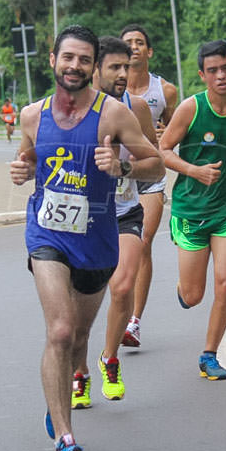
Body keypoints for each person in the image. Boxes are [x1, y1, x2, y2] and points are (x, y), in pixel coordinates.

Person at [9, 25, 162, 451]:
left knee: (77, 337)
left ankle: (71, 380)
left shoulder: (113, 114)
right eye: (67, 57)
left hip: (97, 241)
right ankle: (65, 435)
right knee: (59, 331)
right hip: (47, 235)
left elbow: (152, 159)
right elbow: (30, 157)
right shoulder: (32, 115)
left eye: (83, 60)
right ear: (52, 60)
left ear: (92, 67)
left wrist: (121, 166)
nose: (74, 66)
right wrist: (23, 170)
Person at [159, 39, 226, 380]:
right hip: (191, 209)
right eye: (213, 71)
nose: (220, 75)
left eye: (225, 68)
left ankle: (209, 356)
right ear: (202, 75)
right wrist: (193, 170)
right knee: (194, 295)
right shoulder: (191, 108)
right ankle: (183, 289)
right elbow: (163, 149)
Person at [70, 36, 161, 409]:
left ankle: (109, 359)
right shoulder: (74, 110)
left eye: (128, 66)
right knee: (78, 307)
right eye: (115, 67)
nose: (124, 73)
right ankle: (79, 372)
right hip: (81, 220)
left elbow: (154, 162)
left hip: (124, 211)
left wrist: (124, 167)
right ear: (95, 70)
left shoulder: (135, 108)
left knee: (122, 286)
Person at [119, 24, 178, 349]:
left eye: (140, 42)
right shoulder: (109, 88)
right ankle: (119, 303)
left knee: (142, 241)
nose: (135, 47)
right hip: (117, 179)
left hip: (150, 177)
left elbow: (174, 130)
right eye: (129, 43)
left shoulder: (164, 90)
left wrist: (162, 136)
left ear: (149, 51)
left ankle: (134, 321)